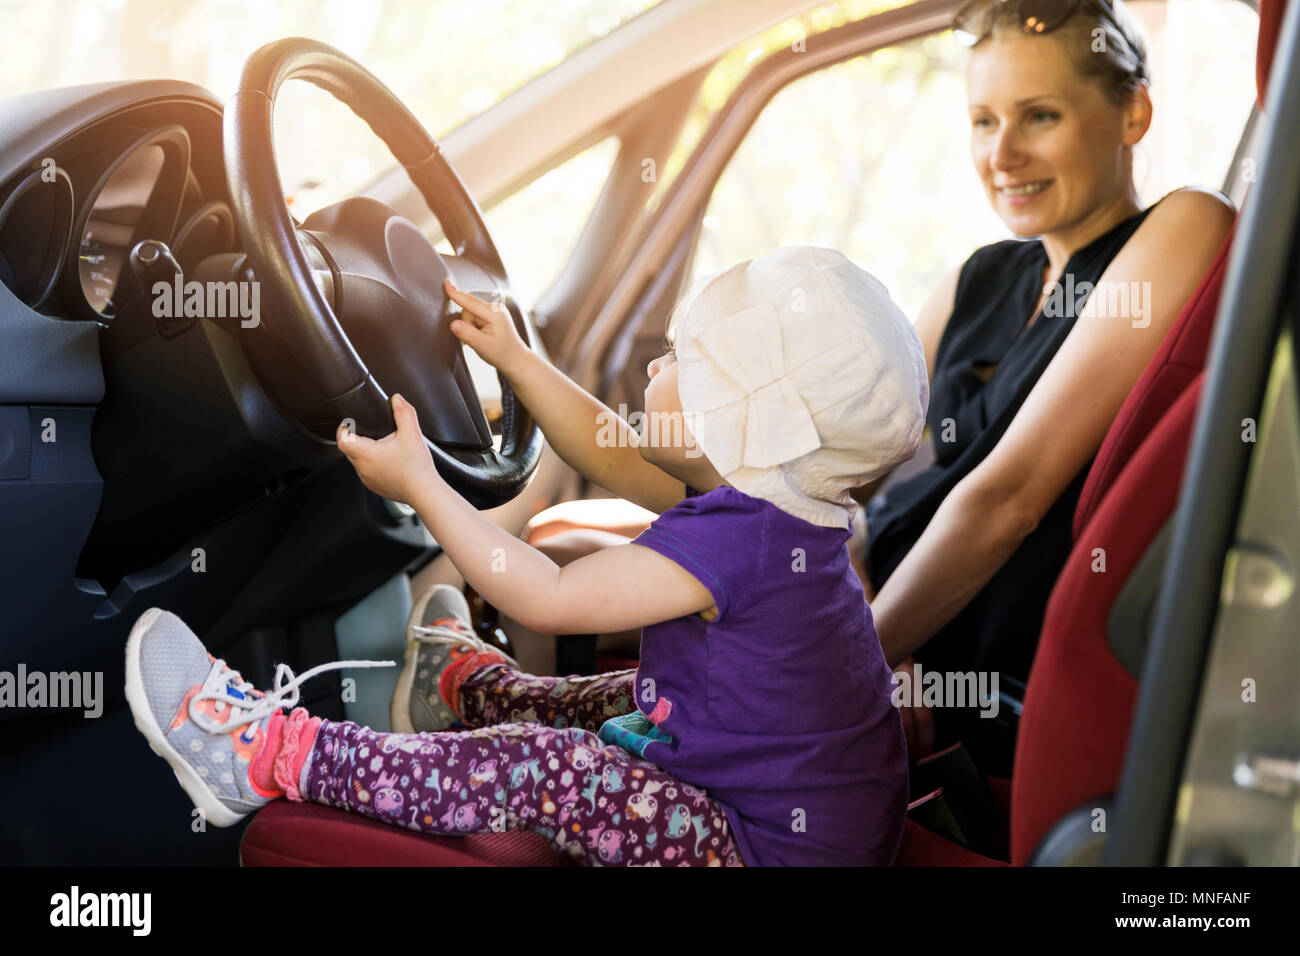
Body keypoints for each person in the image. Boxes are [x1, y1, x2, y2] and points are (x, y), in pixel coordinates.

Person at [519, 0, 1237, 769]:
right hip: (863, 605)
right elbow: (842, 458)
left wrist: (858, 657)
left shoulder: (1184, 226)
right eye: (984, 121)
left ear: (1135, 112)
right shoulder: (977, 278)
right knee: (560, 550)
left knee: (582, 604)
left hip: (962, 659)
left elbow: (1008, 498)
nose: (1003, 154)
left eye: (1040, 116)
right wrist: (841, 592)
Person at [124, 245, 928, 866]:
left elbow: (545, 596)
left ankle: (267, 757)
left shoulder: (742, 538)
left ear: (742, 419)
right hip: (807, 830)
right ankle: (464, 691)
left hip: (759, 852)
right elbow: (613, 452)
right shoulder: (781, 508)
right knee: (623, 695)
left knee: (553, 767)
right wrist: (516, 360)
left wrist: (423, 487)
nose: (656, 362)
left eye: (686, 361)